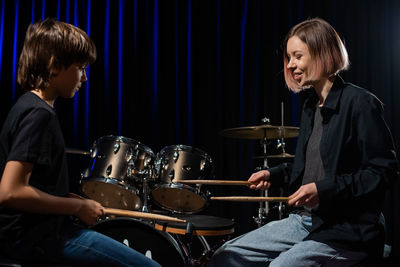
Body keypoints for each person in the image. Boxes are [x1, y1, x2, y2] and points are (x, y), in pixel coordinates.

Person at [210, 18, 398, 266]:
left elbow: (383, 172)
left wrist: (325, 189)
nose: (291, 65)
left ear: (322, 53)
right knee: (225, 256)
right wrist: (274, 174)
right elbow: (308, 170)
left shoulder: (360, 103)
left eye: (297, 56)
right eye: (288, 58)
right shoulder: (311, 106)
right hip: (305, 220)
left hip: (348, 230)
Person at [0, 19, 161, 267]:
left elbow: (31, 185)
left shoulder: (25, 106)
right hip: (38, 238)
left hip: (36, 233)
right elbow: (11, 191)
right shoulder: (38, 114)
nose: (84, 78)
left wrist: (66, 198)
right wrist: (75, 206)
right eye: (80, 67)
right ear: (54, 65)